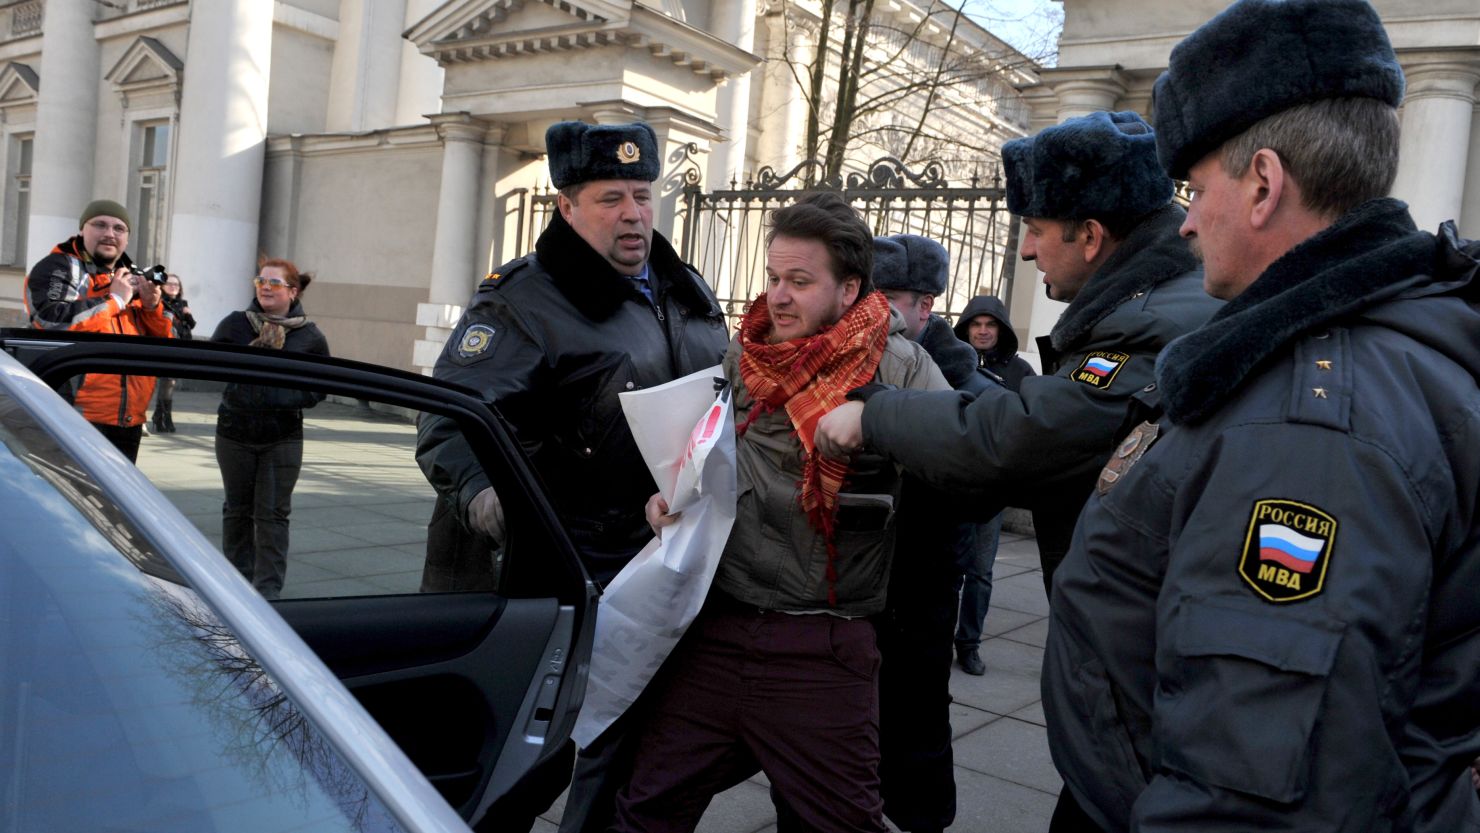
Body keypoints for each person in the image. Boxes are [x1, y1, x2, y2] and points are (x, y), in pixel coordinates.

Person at [1041, 1, 1480, 830]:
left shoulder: (1308, 425)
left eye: (1196, 189)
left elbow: (1250, 792)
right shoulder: (1348, 354)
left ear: (1264, 185)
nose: (1188, 219)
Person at [414, 120, 729, 833]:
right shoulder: (523, 302)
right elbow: (451, 423)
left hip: (659, 567)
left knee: (622, 764)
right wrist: (499, 508)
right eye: (610, 196)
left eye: (642, 195)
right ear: (567, 206)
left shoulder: (684, 288)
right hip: (562, 574)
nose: (632, 213)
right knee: (525, 762)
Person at [611, 192, 951, 833]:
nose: (778, 298)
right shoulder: (745, 358)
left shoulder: (902, 366)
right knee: (646, 809)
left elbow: (966, 459)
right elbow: (707, 457)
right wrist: (673, 499)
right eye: (773, 279)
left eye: (800, 281)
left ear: (848, 289)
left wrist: (879, 420)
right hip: (717, 629)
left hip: (821, 646)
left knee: (841, 823)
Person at [815, 111, 1220, 596]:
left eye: (1035, 229)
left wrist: (876, 412)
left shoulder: (1148, 324)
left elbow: (1025, 440)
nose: (1027, 252)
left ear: (1091, 237)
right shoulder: (1153, 303)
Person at [867, 234, 997, 833]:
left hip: (922, 578)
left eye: (892, 297)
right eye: (873, 295)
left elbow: (981, 484)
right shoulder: (860, 356)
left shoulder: (968, 383)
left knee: (916, 715)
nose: (881, 310)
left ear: (927, 306)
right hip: (860, 579)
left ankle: (922, 819)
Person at [211, 259, 330, 600]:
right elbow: (209, 367)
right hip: (234, 431)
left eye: (274, 283)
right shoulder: (235, 326)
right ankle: (235, 585)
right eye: (261, 280)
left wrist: (279, 393)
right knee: (236, 511)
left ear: (292, 291)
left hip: (282, 436)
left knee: (273, 515)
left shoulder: (309, 336)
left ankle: (267, 594)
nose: (265, 286)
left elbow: (318, 388)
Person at [23, 199, 173, 461]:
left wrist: (152, 306)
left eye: (119, 228)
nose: (109, 234)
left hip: (128, 421)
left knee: (115, 502)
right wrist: (114, 301)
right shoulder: (59, 267)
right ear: (83, 229)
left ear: (127, 238)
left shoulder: (129, 277)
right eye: (100, 225)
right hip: (73, 417)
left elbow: (166, 345)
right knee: (68, 499)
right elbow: (50, 322)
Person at [947, 295, 1034, 676]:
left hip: (991, 488)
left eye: (990, 324)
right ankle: (935, 637)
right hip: (950, 484)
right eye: (976, 324)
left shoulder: (1020, 372)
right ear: (965, 327)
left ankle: (968, 644)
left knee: (980, 572)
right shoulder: (947, 363)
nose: (982, 331)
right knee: (947, 570)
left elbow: (1030, 426)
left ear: (1001, 329)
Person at [151, 273, 196, 433]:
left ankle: (161, 416)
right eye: (170, 284)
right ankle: (162, 417)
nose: (173, 287)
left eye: (176, 285)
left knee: (169, 383)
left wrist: (188, 314)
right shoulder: (158, 301)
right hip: (163, 347)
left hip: (179, 347)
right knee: (165, 382)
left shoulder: (182, 303)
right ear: (162, 286)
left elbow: (191, 325)